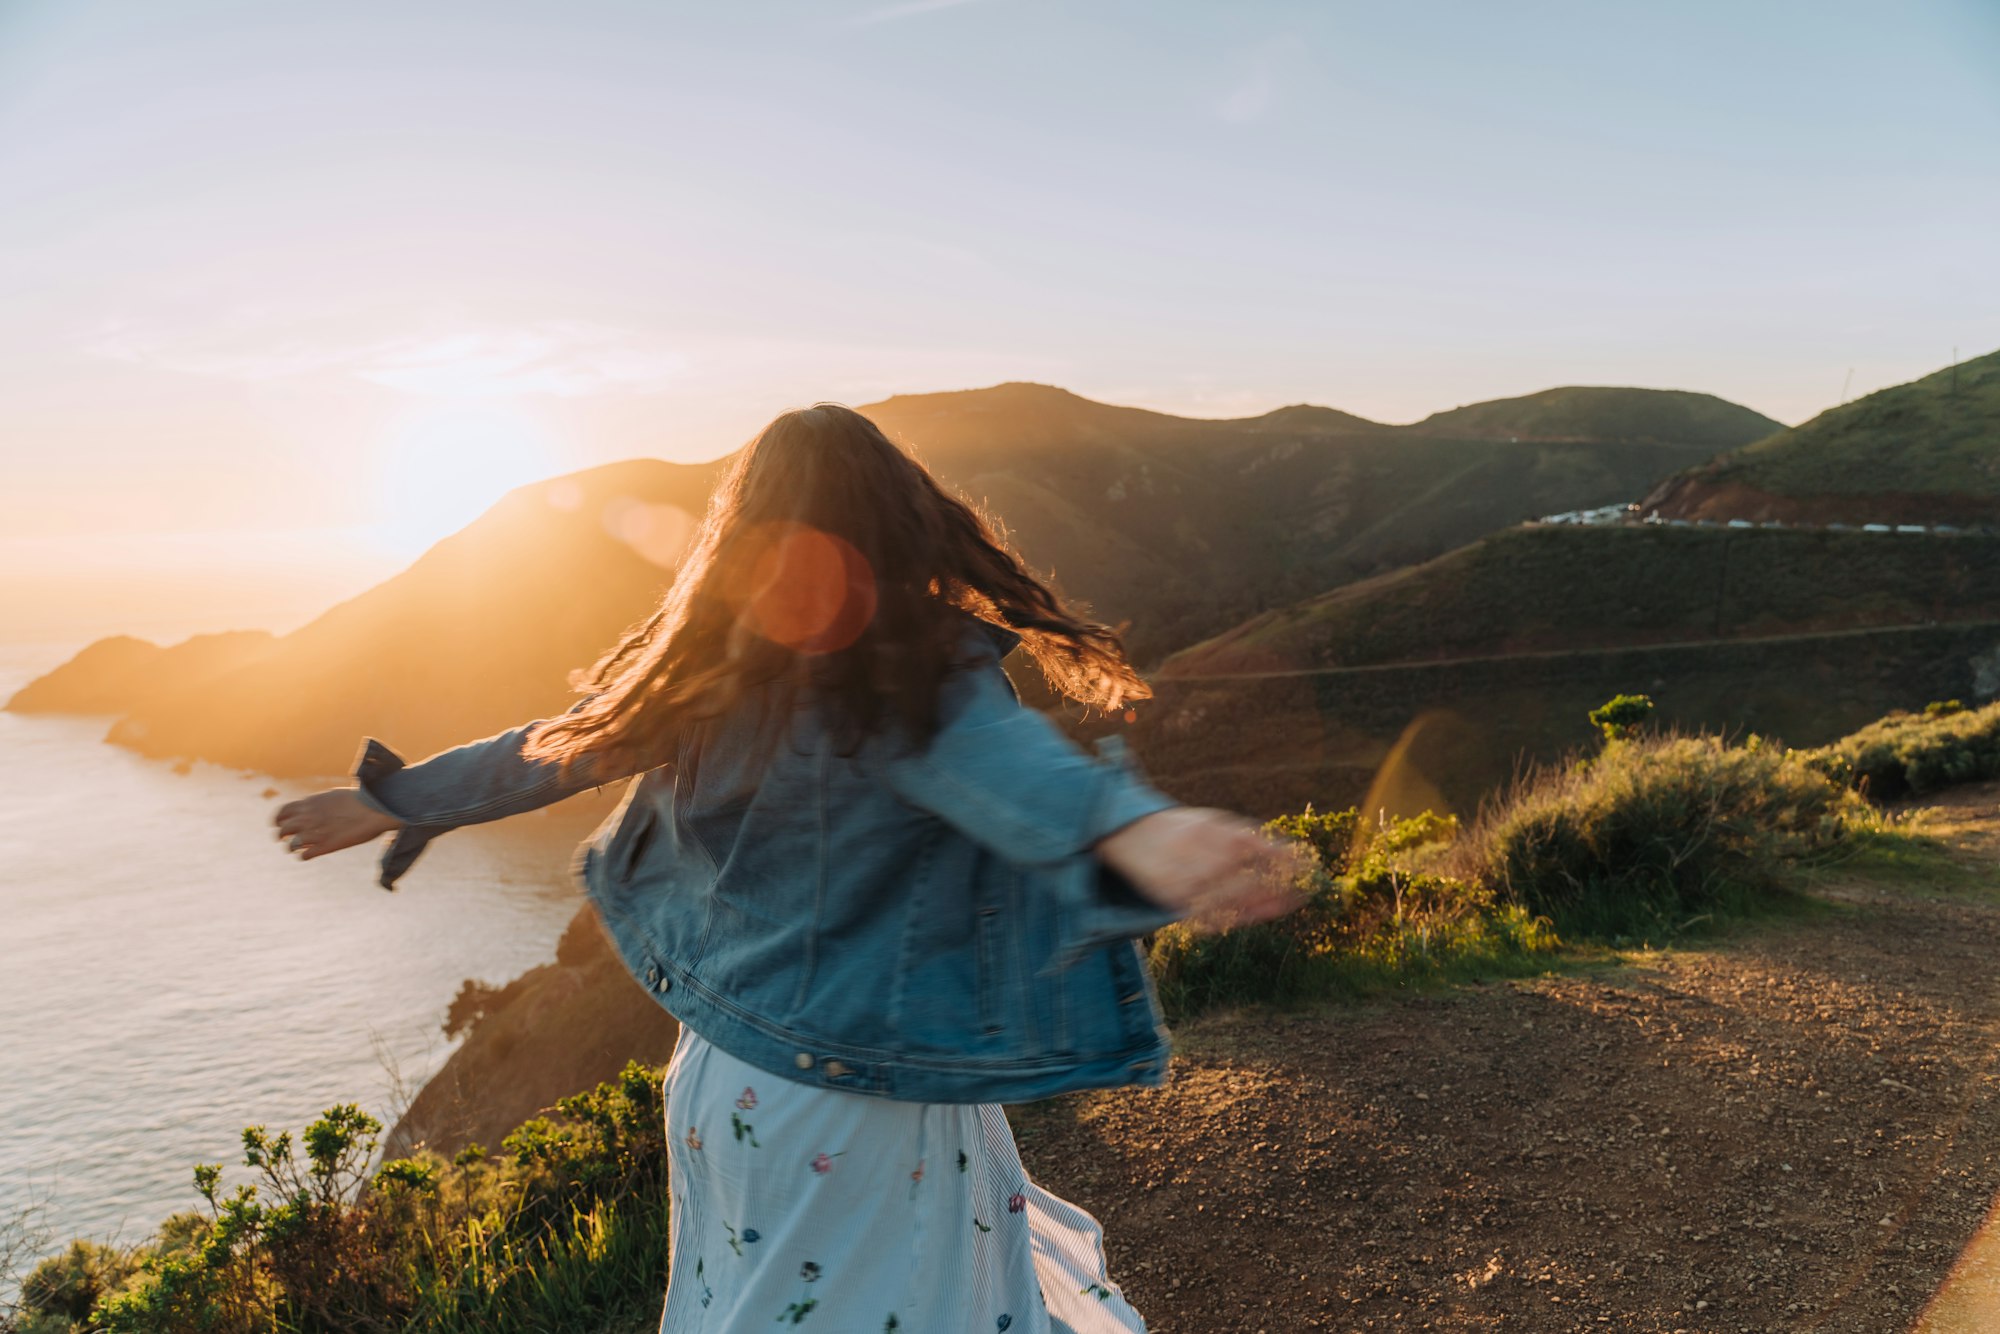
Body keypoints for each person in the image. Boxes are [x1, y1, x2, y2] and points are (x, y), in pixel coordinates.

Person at [274, 403, 1299, 1332]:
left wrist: (389, 799)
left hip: (720, 1086)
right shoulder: (914, 675)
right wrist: (1141, 830)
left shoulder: (702, 671)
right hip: (862, 1100)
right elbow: (1015, 770)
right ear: (903, 525)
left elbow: (545, 748)